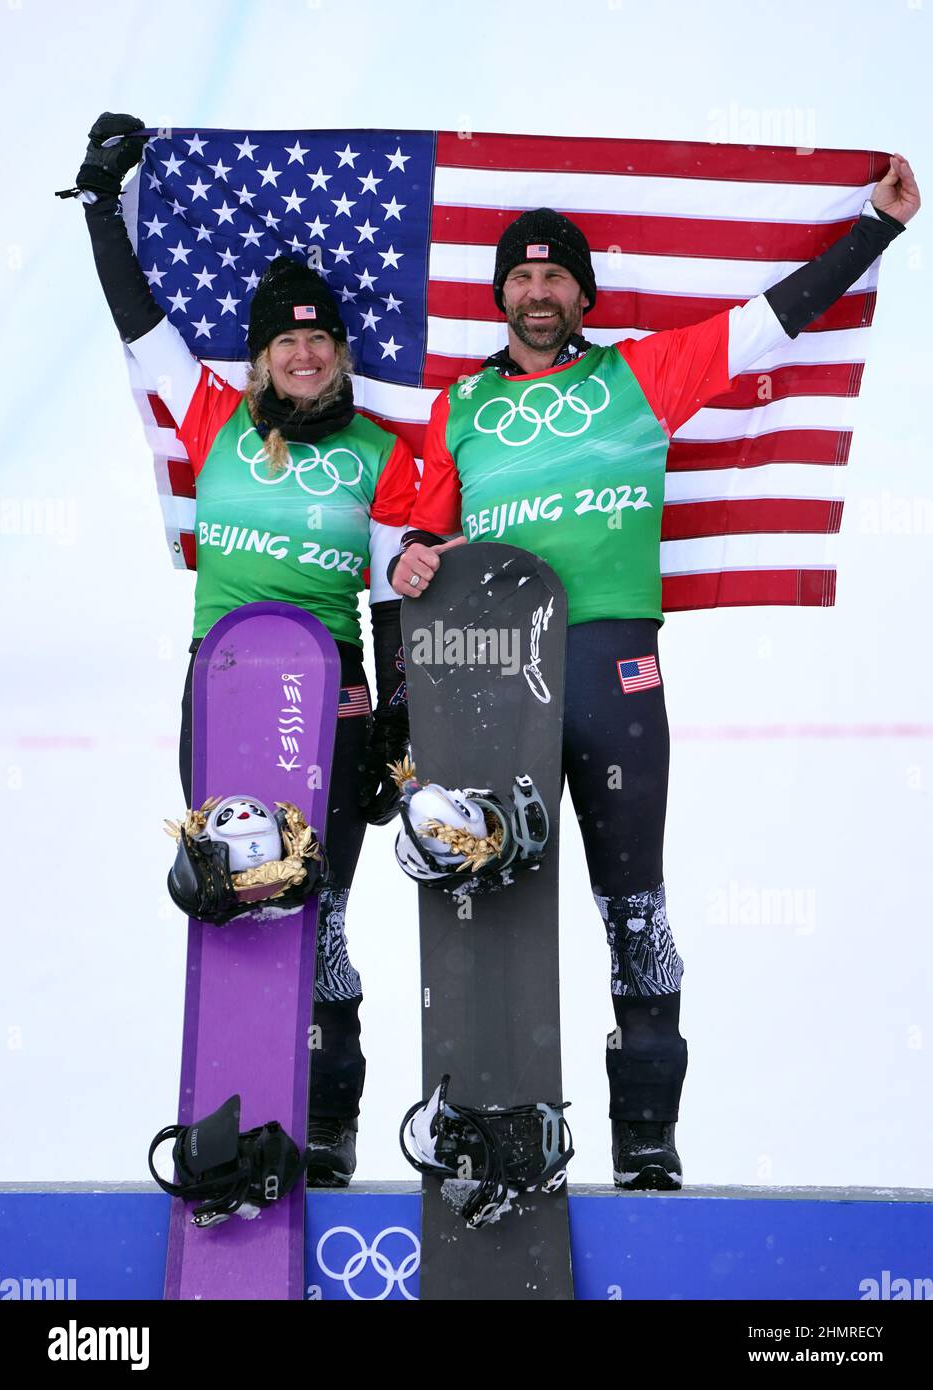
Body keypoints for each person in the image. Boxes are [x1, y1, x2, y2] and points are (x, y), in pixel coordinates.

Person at [391, 159, 921, 1189]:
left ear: (581, 296)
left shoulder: (636, 376)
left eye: (557, 279)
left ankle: (645, 1140)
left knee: (632, 905)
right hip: (496, 681)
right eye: (521, 278)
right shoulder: (455, 407)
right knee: (486, 907)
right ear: (498, 292)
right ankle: (498, 1128)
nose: (538, 293)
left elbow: (771, 319)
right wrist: (414, 558)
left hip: (610, 669)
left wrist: (875, 229)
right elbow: (422, 540)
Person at [72, 113, 419, 1187]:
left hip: (333, 695)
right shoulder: (212, 412)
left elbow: (401, 591)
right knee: (230, 897)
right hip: (221, 688)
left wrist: (397, 710)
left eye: (319, 339)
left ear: (340, 352)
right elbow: (139, 323)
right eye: (284, 340)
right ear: (261, 353)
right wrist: (98, 204)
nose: (304, 353)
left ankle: (327, 1130)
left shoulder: (381, 451)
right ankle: (231, 1128)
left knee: (316, 916)